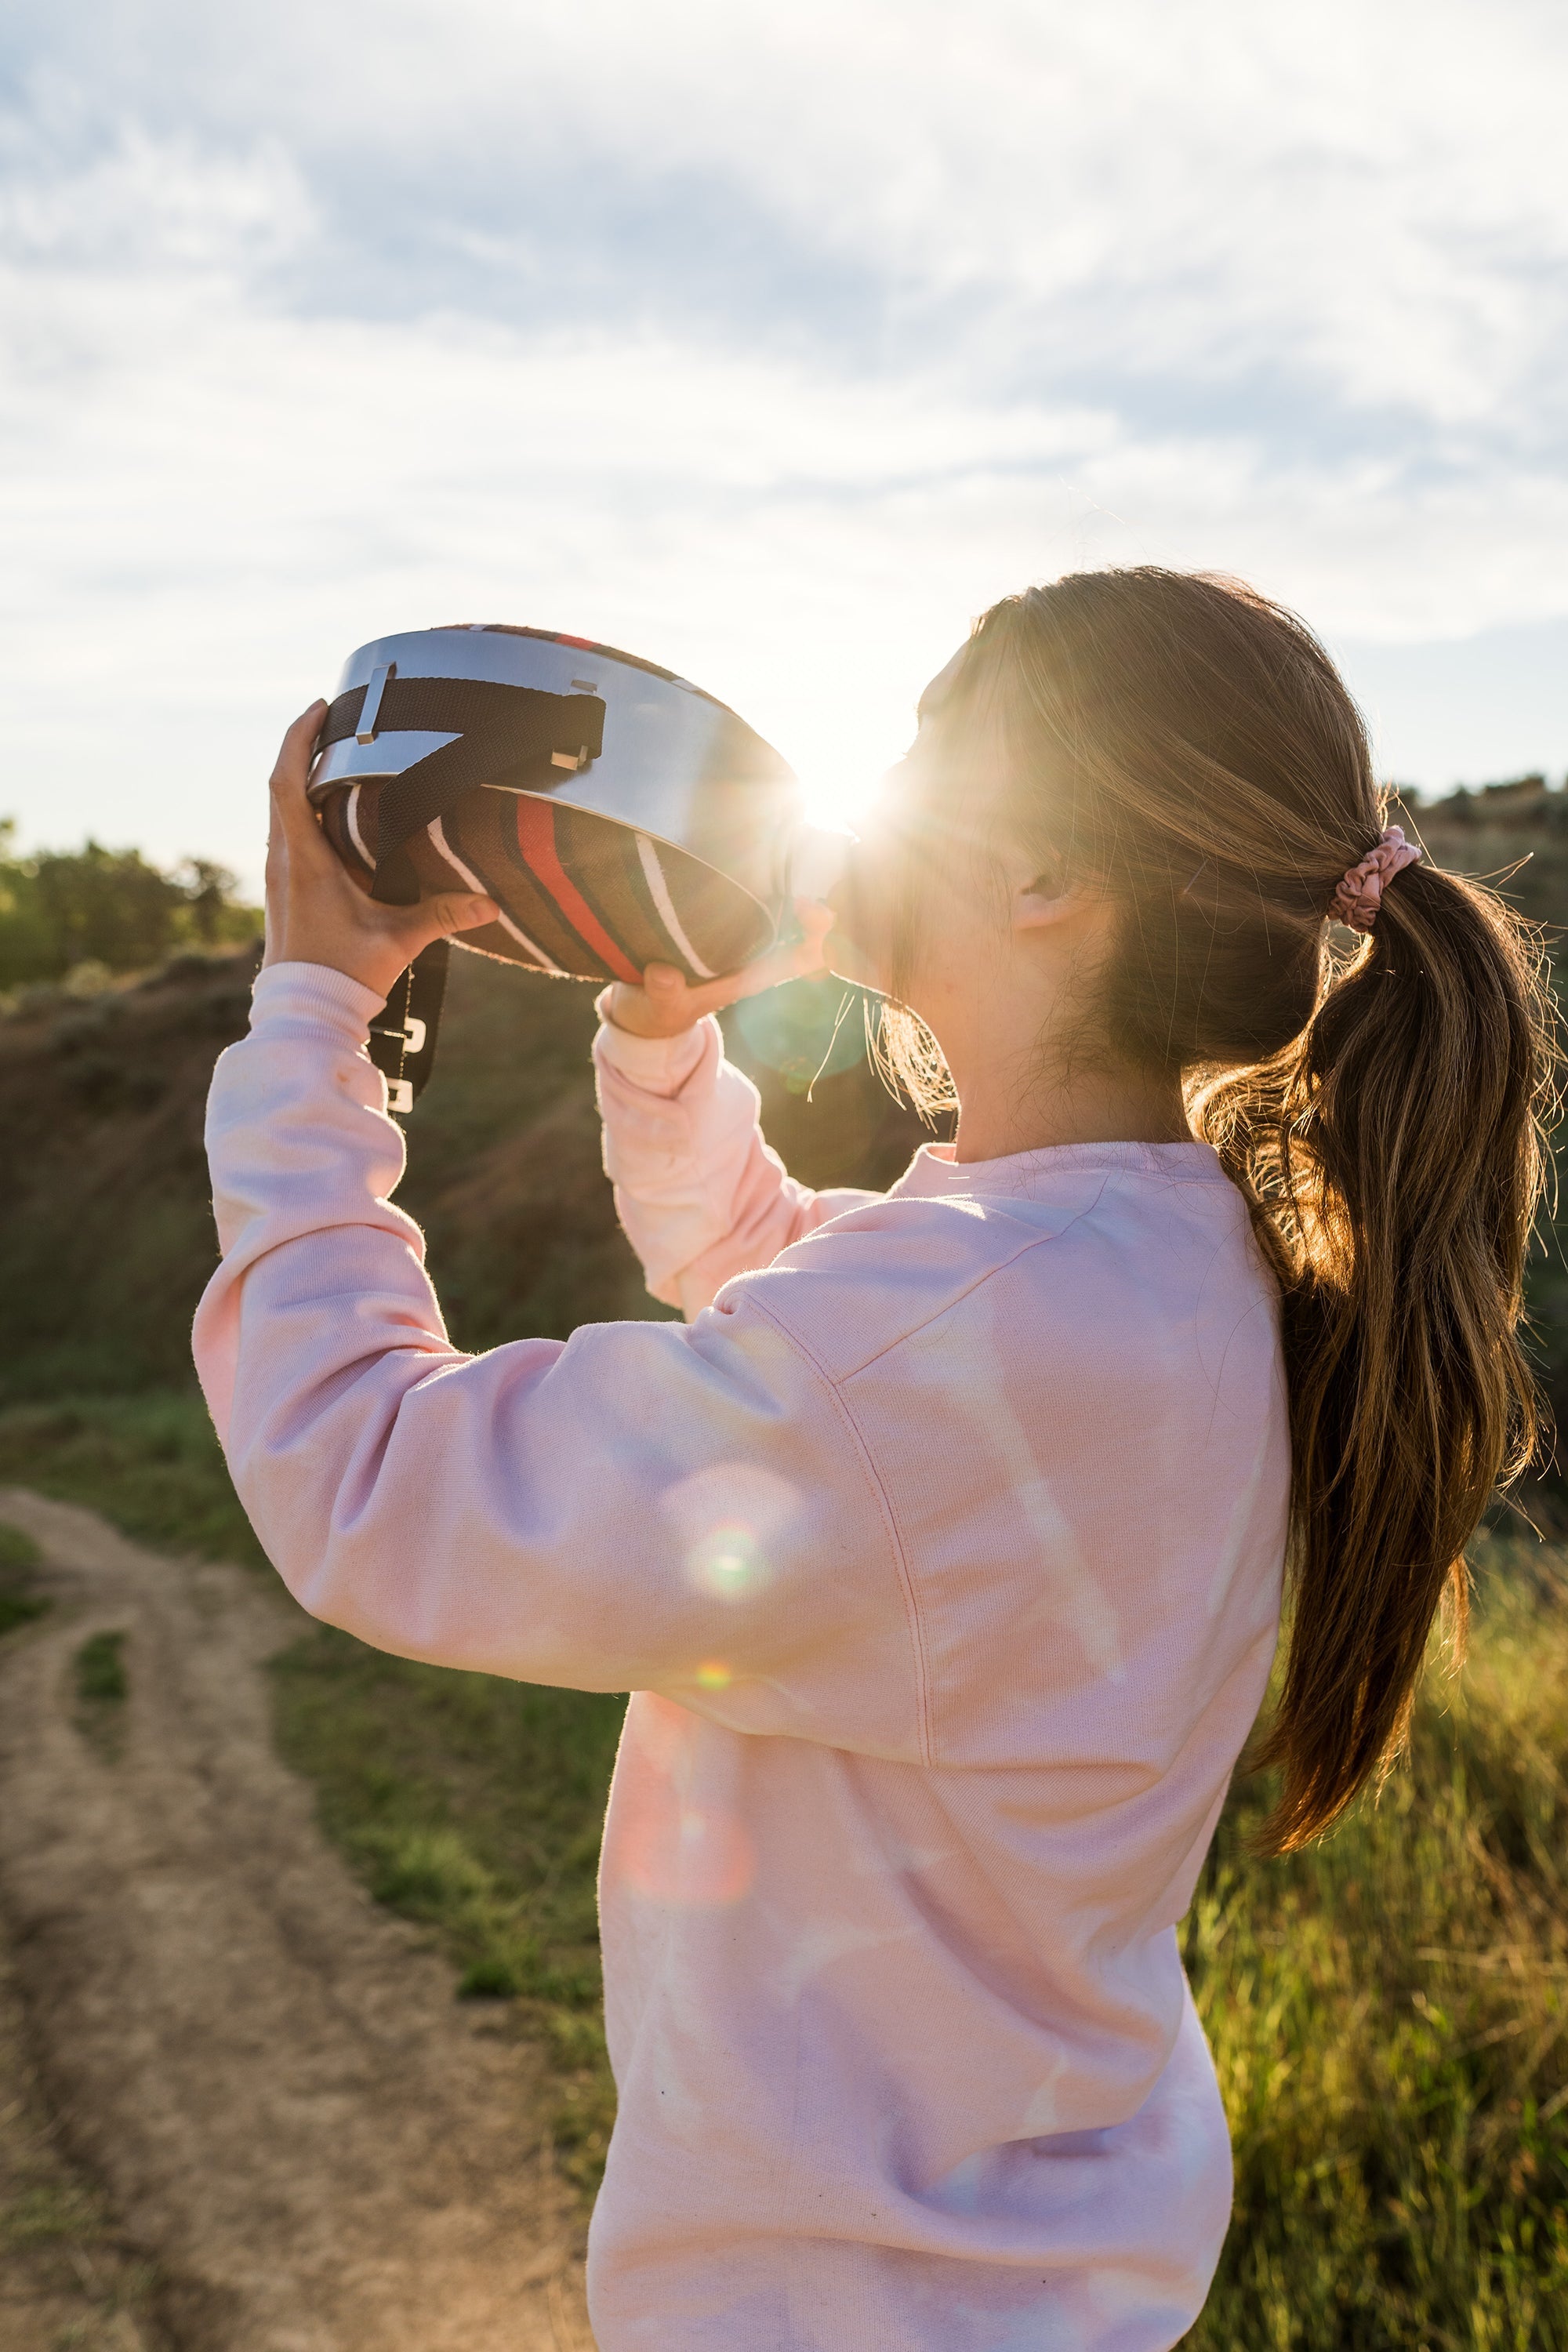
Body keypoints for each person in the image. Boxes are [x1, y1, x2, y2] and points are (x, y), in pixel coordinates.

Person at [193, 568, 1552, 2351]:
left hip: (835, 2302)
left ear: (1044, 879)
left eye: (927, 746)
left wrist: (318, 1014)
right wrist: (663, 1042)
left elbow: (366, 1478)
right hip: (1033, 2277)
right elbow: (797, 1300)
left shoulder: (960, 1334)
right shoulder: (1160, 1261)